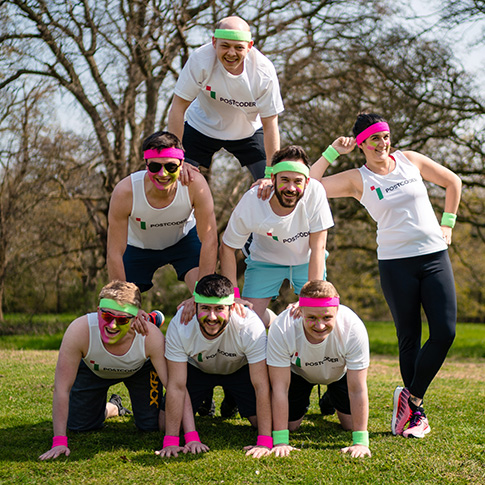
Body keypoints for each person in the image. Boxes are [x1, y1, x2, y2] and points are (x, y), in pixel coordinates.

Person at [310, 112, 461, 439]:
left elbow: (453, 182)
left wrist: (447, 224)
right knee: (409, 338)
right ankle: (415, 417)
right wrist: (333, 152)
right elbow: (310, 185)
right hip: (396, 264)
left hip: (434, 256)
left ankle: (411, 397)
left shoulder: (411, 161)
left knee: (445, 332)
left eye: (386, 136)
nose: (383, 143)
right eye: (375, 138)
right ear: (361, 143)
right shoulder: (356, 178)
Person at [38, 280, 203, 461]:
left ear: (134, 319)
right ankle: (114, 407)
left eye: (122, 319)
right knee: (79, 426)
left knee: (150, 426)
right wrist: (59, 442)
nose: (112, 326)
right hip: (94, 370)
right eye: (107, 316)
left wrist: (191, 437)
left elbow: (176, 386)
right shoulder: (79, 330)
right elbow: (62, 388)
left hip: (139, 369)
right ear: (97, 310)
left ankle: (151, 319)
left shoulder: (150, 336)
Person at [157, 274, 272, 459]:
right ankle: (206, 397)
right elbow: (177, 386)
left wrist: (265, 441)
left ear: (232, 307)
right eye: (205, 308)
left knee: (262, 422)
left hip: (238, 370)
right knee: (165, 424)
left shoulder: (250, 326)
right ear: (194, 307)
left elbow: (261, 386)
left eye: (219, 309)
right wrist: (172, 442)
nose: (212, 317)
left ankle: (232, 399)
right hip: (199, 369)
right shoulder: (180, 324)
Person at [107, 130, 218, 318]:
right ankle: (148, 324)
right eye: (155, 167)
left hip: (183, 242)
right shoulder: (125, 192)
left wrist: (199, 295)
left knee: (208, 300)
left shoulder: (195, 185)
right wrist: (126, 306)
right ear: (146, 164)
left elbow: (210, 241)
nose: (163, 174)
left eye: (171, 167)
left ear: (182, 164)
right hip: (138, 247)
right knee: (119, 309)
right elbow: (114, 252)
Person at [219, 145, 334, 327]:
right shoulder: (253, 201)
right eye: (284, 180)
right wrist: (233, 297)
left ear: (307, 182)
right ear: (272, 178)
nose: (291, 188)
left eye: (297, 181)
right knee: (245, 321)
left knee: (315, 312)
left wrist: (309, 298)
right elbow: (227, 247)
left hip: (306, 260)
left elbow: (318, 247)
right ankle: (272, 320)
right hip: (265, 261)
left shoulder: (316, 192)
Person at [167, 15, 284, 182]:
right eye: (225, 46)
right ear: (214, 42)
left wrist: (269, 174)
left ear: (249, 46)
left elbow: (270, 123)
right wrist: (176, 158)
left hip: (248, 131)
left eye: (238, 48)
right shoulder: (200, 60)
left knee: (273, 184)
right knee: (175, 176)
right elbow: (178, 107)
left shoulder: (263, 72)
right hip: (202, 126)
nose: (231, 53)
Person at [267, 280, 371, 458]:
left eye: (327, 318)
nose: (320, 325)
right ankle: (306, 398)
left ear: (337, 310)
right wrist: (281, 441)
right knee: (290, 426)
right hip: (299, 374)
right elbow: (280, 388)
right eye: (312, 318)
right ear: (300, 310)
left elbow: (358, 388)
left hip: (338, 374)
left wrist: (360, 442)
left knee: (350, 426)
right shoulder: (283, 327)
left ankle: (330, 397)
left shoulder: (353, 327)